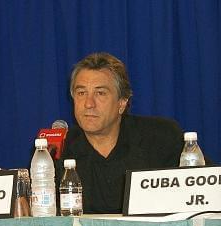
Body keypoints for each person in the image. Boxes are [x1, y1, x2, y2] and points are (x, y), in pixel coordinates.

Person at [57, 52, 211, 214]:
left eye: (100, 93)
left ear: (122, 102)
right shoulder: (61, 149)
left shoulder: (162, 137)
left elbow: (209, 187)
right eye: (81, 93)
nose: (88, 104)